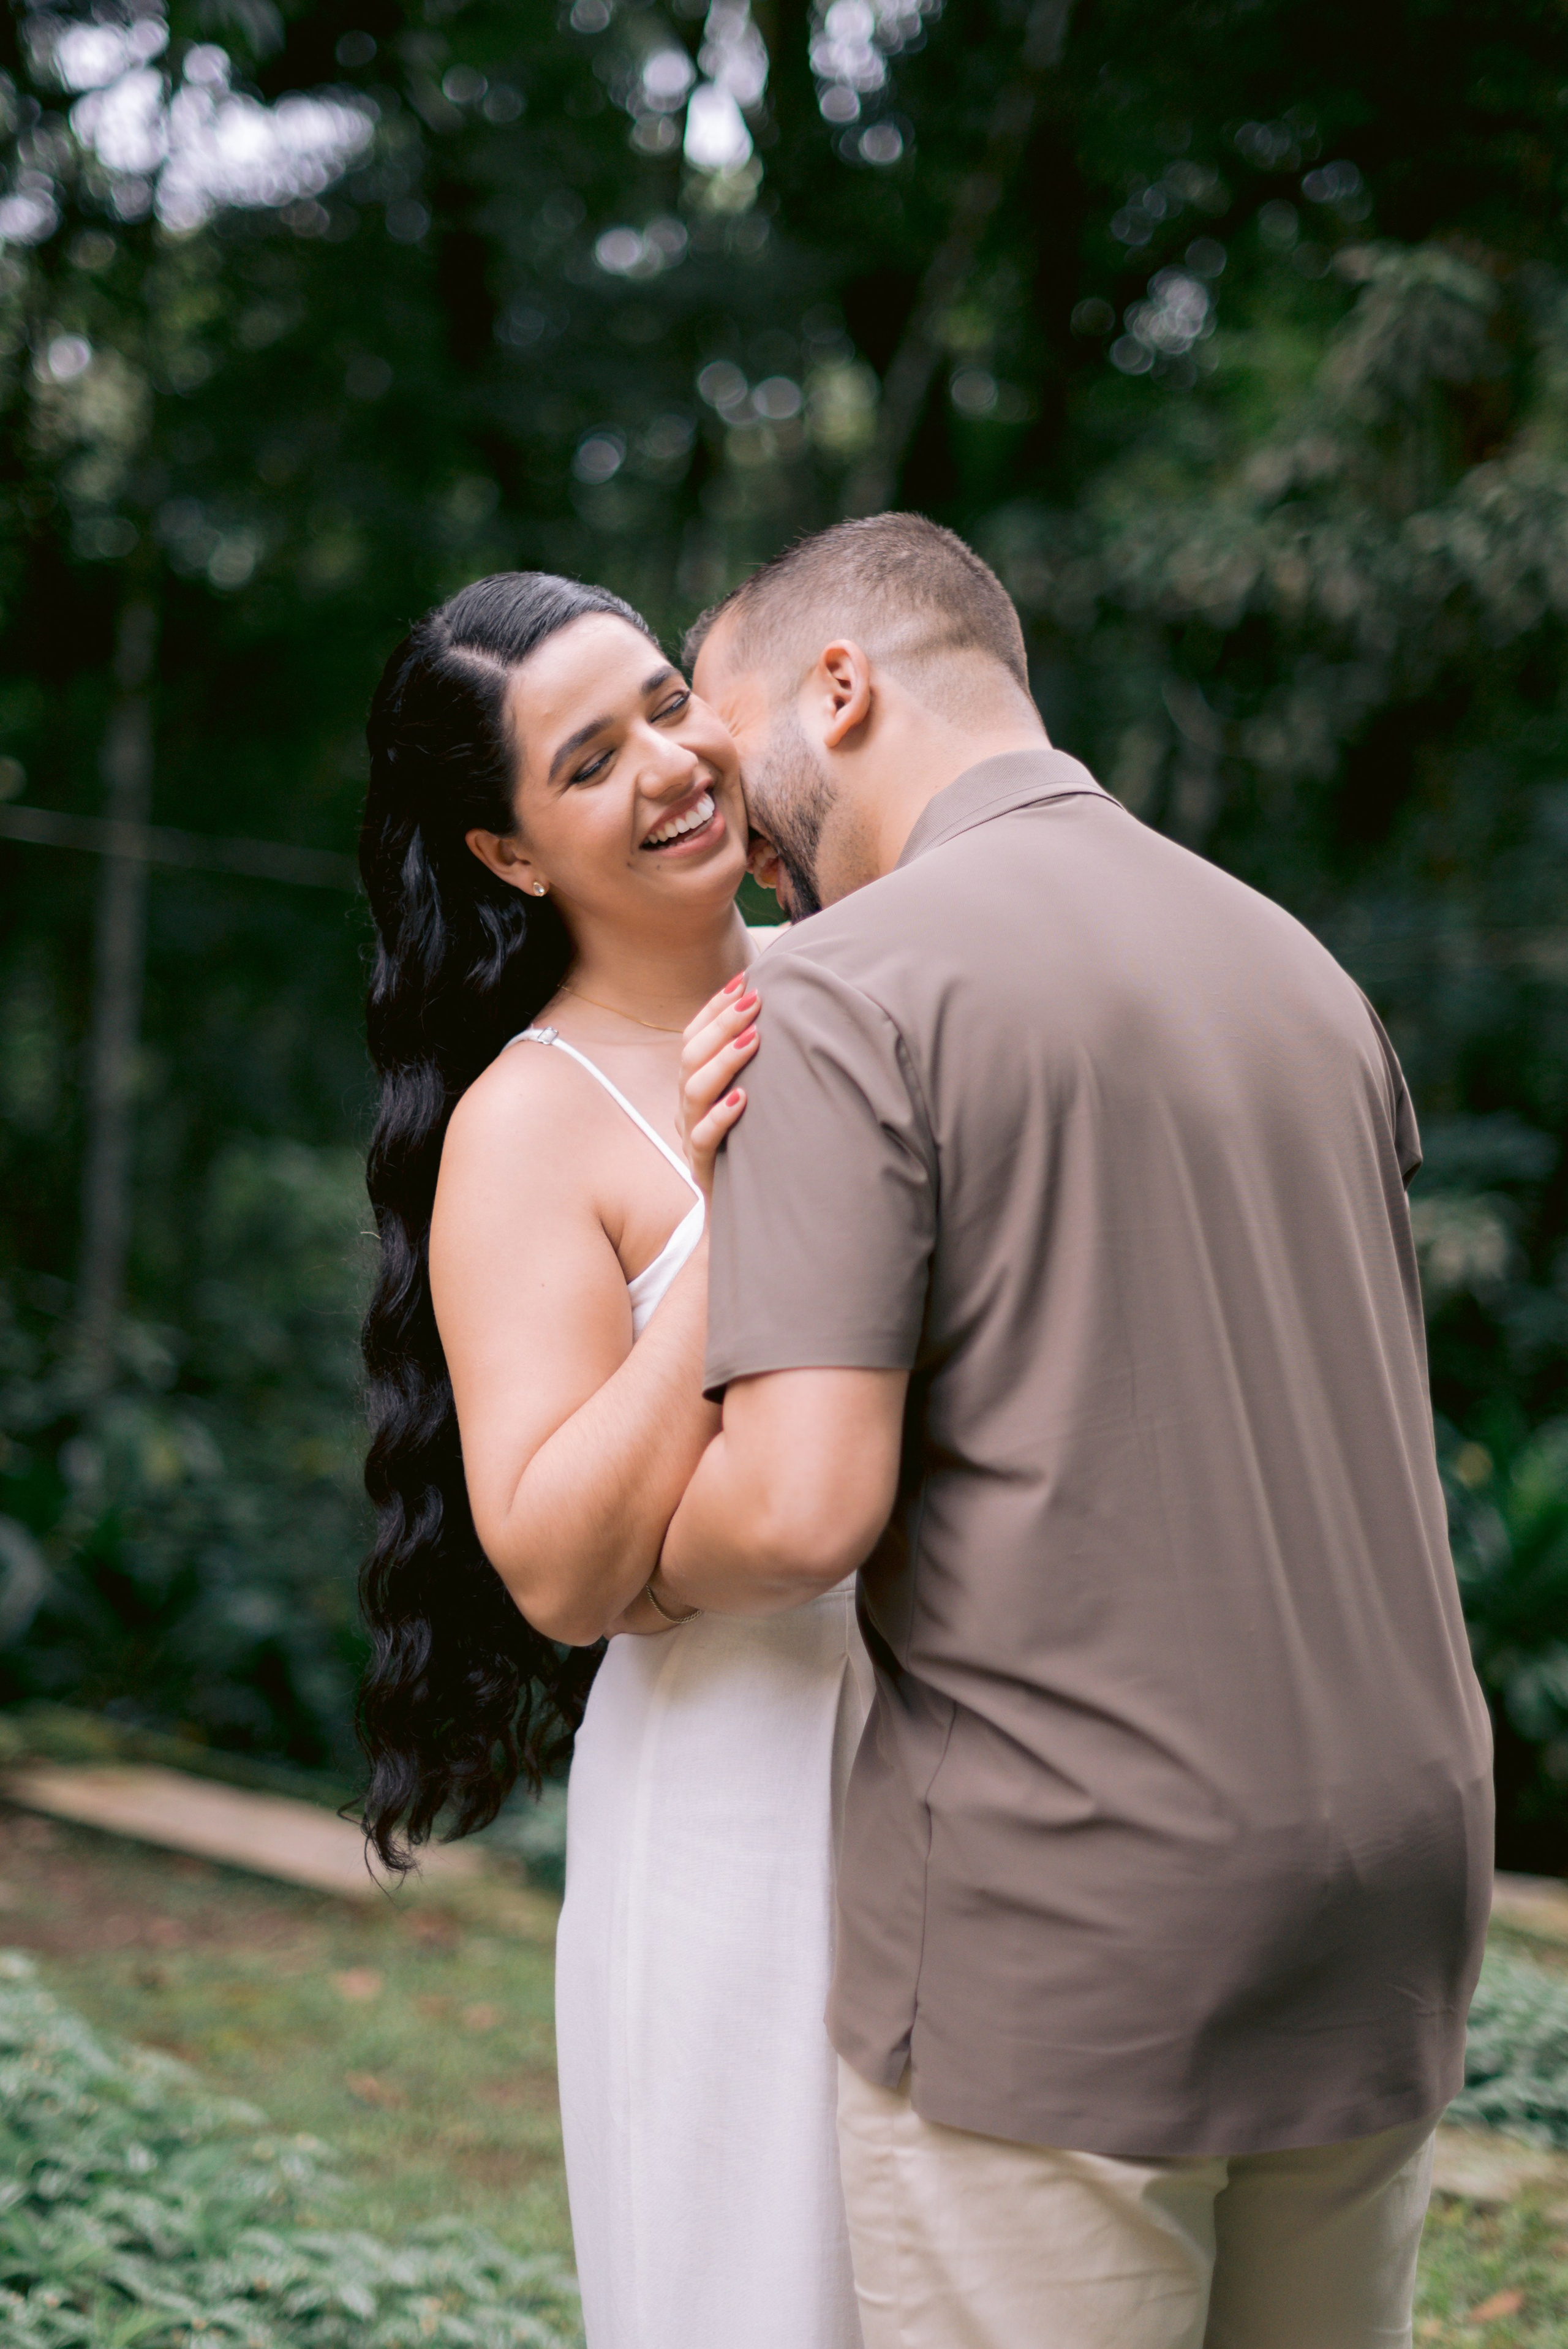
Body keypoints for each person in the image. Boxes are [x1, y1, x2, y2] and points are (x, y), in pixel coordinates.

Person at [650, 512, 1494, 2348]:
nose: (731, 820)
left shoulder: (838, 987)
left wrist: (620, 1568)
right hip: (1393, 1885)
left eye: (728, 751)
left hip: (1074, 1913)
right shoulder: (1303, 974)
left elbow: (798, 1513)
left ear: (844, 689)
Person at [355, 572, 869, 2349]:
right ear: (511, 854)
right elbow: (563, 1569)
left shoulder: (865, 981)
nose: (674, 763)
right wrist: (731, 1231)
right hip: (742, 1808)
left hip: (985, 1759)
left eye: (667, 701)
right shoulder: (530, 1123)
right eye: (593, 759)